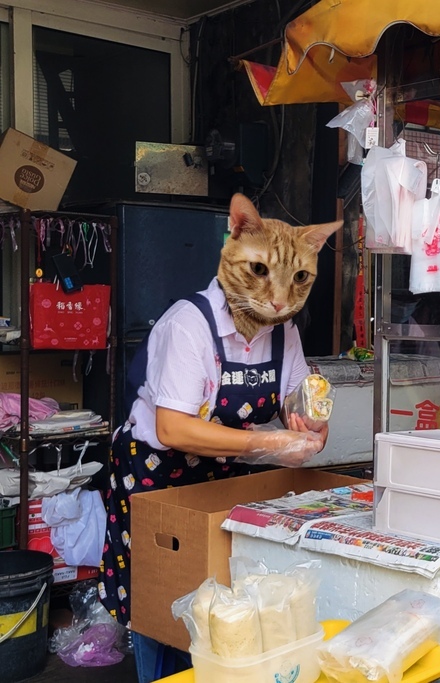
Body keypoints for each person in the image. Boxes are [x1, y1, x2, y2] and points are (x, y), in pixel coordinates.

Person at [99, 194, 340, 683]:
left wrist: (311, 422)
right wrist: (269, 445)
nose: (279, 296)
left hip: (220, 473)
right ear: (235, 237)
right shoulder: (191, 324)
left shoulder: (283, 331)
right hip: (154, 477)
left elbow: (296, 399)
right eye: (259, 271)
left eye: (298, 279)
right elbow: (172, 428)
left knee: (216, 608)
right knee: (160, 604)